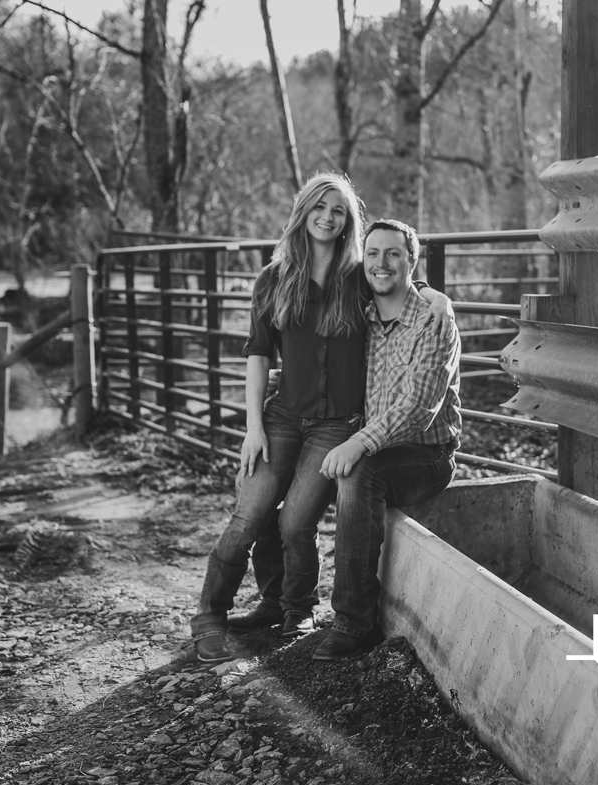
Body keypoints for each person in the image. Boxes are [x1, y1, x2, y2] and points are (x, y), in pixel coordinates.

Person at [189, 175, 451, 664]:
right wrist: (252, 429)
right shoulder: (274, 278)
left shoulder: (356, 279)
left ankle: (296, 608)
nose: (328, 217)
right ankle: (210, 616)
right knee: (248, 516)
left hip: (336, 426)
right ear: (304, 212)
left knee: (294, 523)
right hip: (282, 417)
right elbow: (258, 356)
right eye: (320, 207)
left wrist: (435, 294)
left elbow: (396, 280)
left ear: (349, 219)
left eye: (338, 210)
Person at [311, 218, 462, 661]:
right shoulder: (364, 315)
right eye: (373, 253)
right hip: (377, 442)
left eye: (393, 254)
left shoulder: (434, 319)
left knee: (359, 471)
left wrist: (358, 443)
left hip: (427, 454)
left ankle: (354, 623)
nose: (381, 263)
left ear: (411, 262)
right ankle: (287, 602)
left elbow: (419, 409)